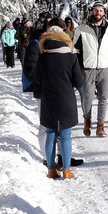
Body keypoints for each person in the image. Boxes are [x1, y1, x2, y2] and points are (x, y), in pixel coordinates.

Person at [32, 19, 84, 180]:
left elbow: (37, 79)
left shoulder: (43, 57)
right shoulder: (70, 57)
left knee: (50, 133)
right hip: (66, 99)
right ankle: (66, 170)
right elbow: (79, 81)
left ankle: (51, 169)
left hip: (48, 98)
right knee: (66, 135)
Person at [74, 1, 108, 137]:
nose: (98, 13)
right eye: (95, 10)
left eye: (100, 11)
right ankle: (87, 121)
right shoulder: (82, 29)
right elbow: (75, 50)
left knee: (103, 97)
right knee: (87, 97)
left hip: (104, 68)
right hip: (88, 68)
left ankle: (100, 126)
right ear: (92, 11)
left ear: (104, 12)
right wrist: (77, 69)